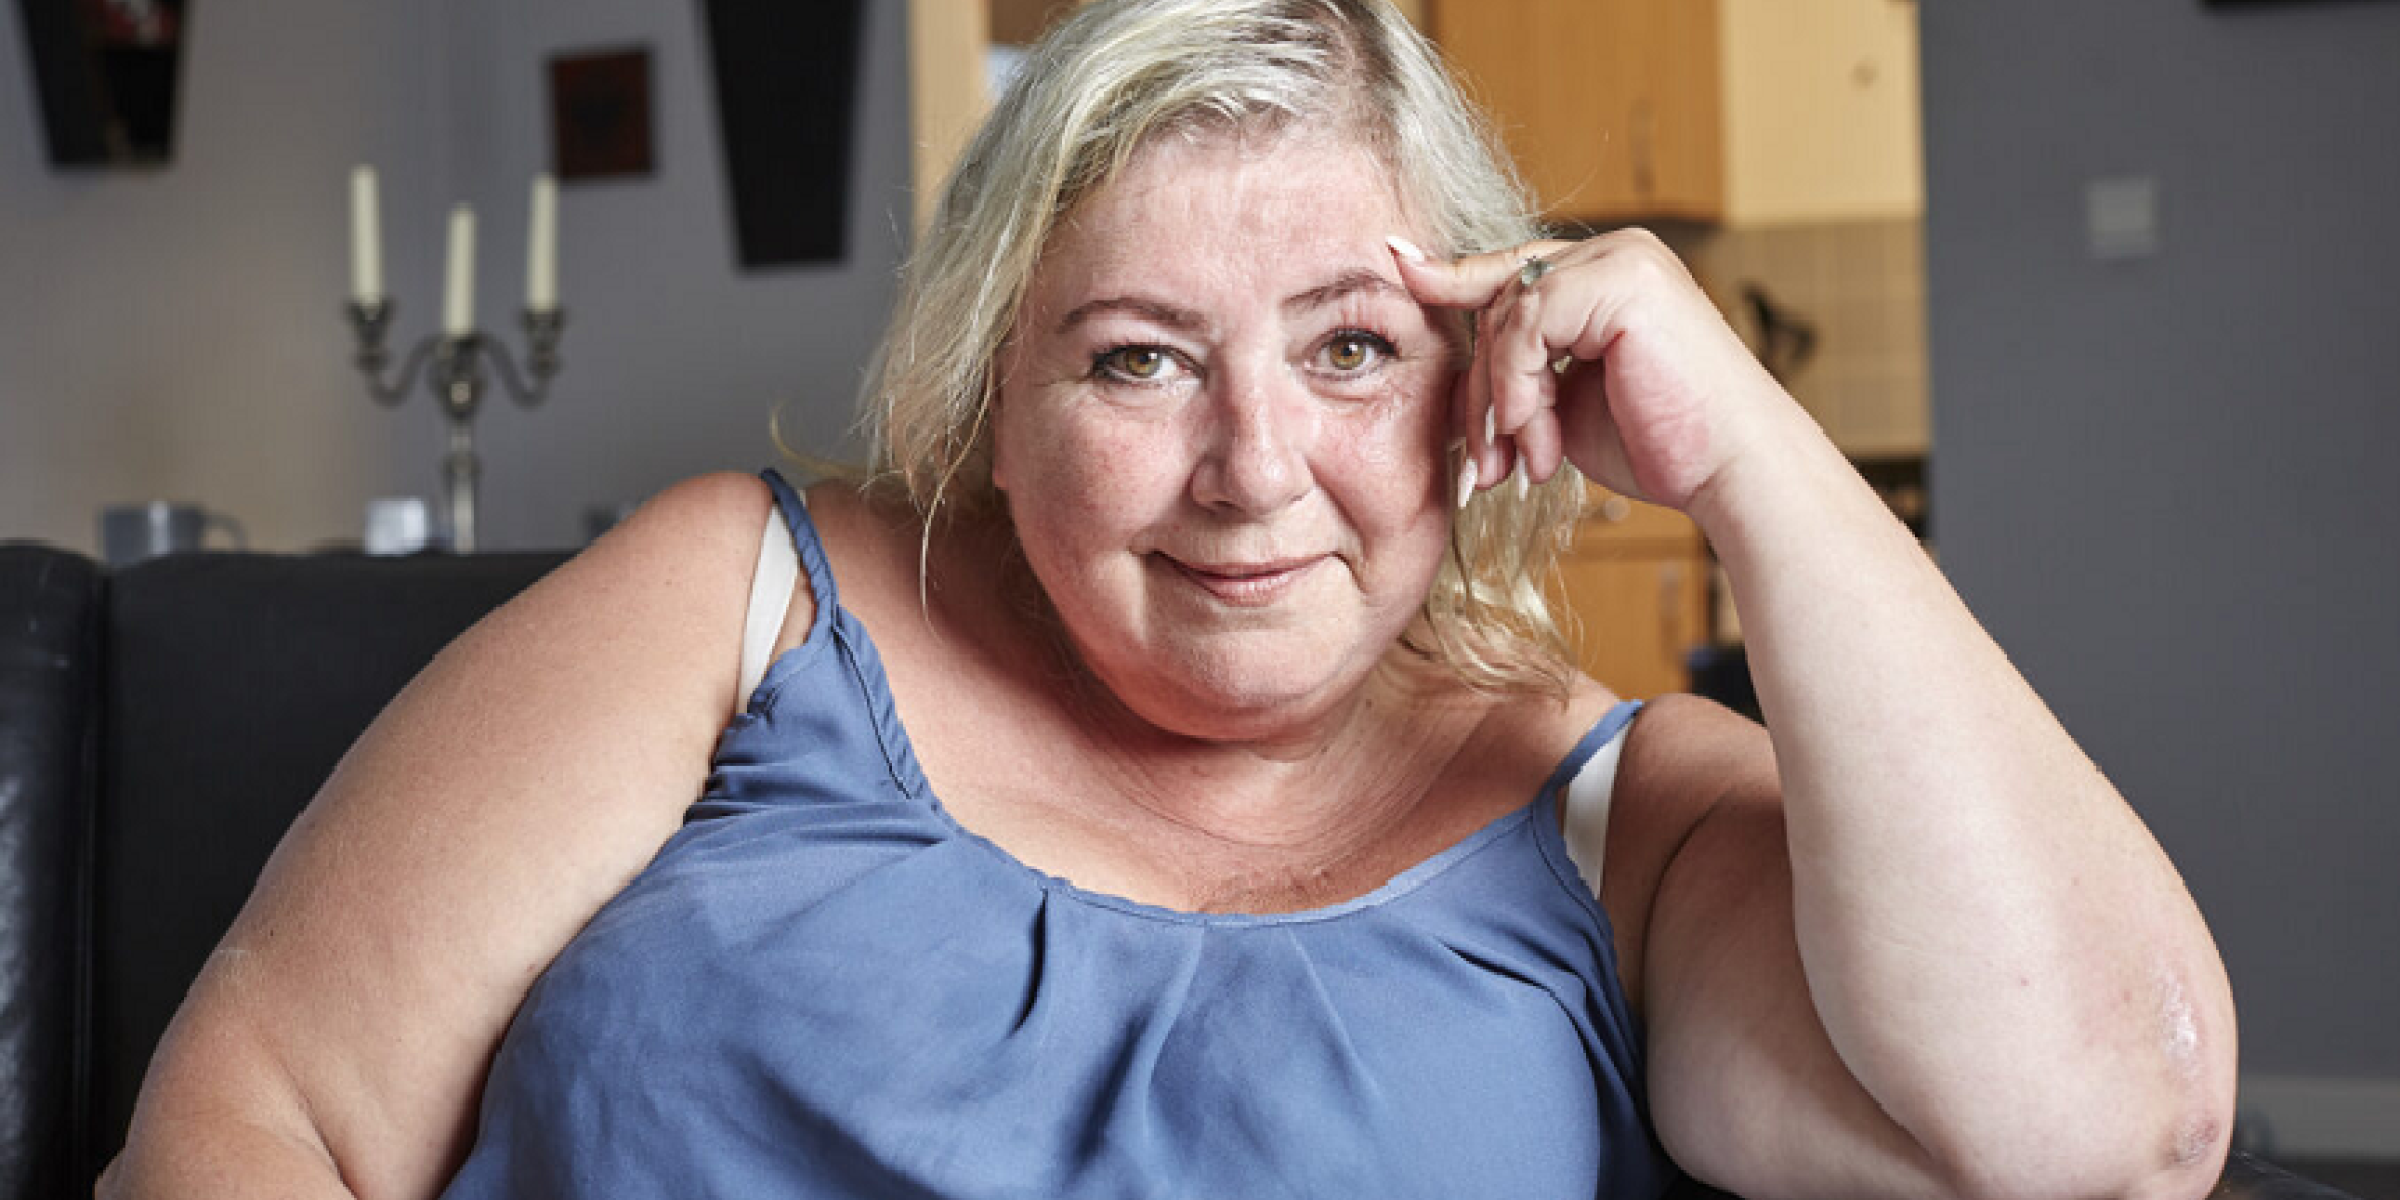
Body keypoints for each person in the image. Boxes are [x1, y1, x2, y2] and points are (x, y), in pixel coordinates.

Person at [101, 1, 2238, 1197]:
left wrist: (1756, 458)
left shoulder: (1624, 834)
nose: (1252, 471)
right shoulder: (744, 602)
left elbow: (2109, 1132)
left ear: (1491, 378)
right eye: (1136, 356)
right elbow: (250, 1115)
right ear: (993, 398)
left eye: (1352, 348)